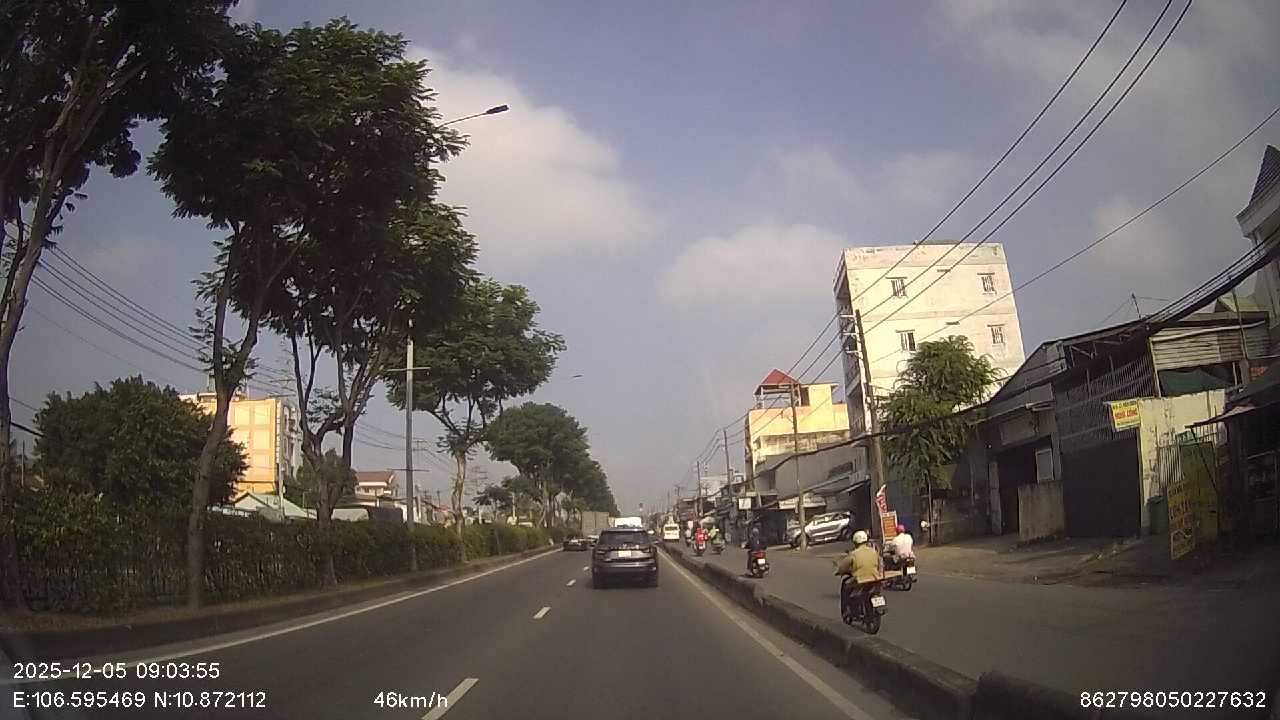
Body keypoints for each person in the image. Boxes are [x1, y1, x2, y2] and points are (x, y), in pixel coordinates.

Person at [834, 530, 883, 616]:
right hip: (874, 578)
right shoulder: (873, 551)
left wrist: (839, 571)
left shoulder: (853, 554)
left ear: (855, 542)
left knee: (846, 587)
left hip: (860, 580)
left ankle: (847, 610)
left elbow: (843, 567)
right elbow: (880, 564)